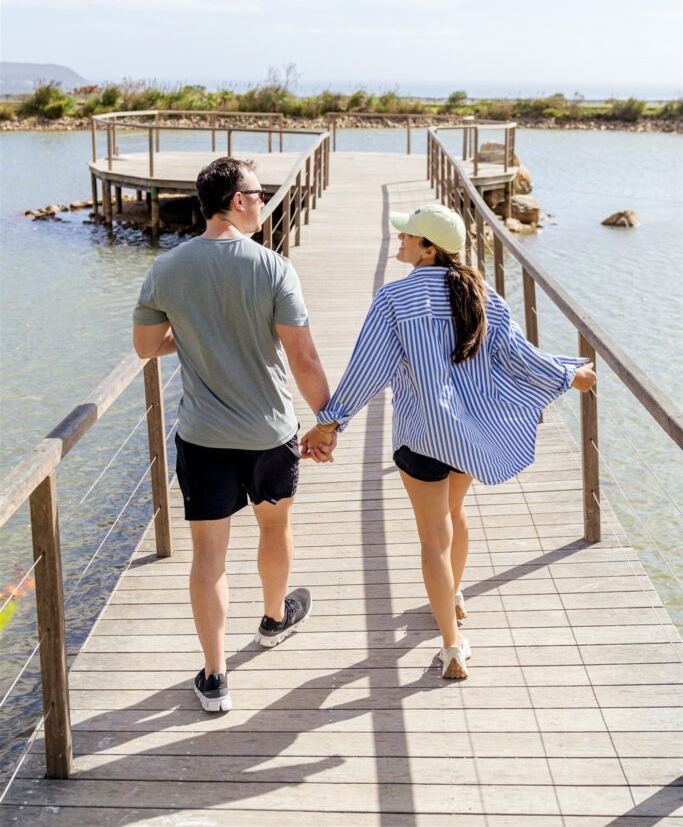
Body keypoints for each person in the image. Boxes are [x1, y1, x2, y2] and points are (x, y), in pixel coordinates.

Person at [301, 203, 595, 681]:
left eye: (407, 236)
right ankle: (454, 597)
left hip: (421, 437)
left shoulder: (394, 300)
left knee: (433, 538)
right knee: (456, 515)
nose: (399, 240)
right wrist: (569, 373)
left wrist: (328, 424)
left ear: (428, 247)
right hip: (470, 434)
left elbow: (365, 372)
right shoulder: (483, 296)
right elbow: (521, 358)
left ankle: (452, 647)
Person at [133, 157, 331, 712]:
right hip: (269, 431)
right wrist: (328, 421)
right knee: (274, 526)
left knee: (208, 558)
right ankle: (273, 619)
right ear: (237, 200)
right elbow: (304, 357)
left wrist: (194, 339)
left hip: (203, 436)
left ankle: (215, 677)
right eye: (259, 193)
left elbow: (147, 347)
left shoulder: (166, 268)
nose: (264, 201)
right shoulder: (272, 268)